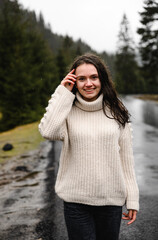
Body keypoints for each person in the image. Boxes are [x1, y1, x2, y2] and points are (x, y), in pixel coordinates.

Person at [38, 53, 139, 240]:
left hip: (111, 201)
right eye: (81, 79)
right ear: (74, 82)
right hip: (76, 203)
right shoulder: (67, 111)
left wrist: (132, 198)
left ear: (102, 79)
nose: (88, 83)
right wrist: (62, 92)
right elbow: (48, 131)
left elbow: (126, 159)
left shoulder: (118, 111)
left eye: (94, 77)